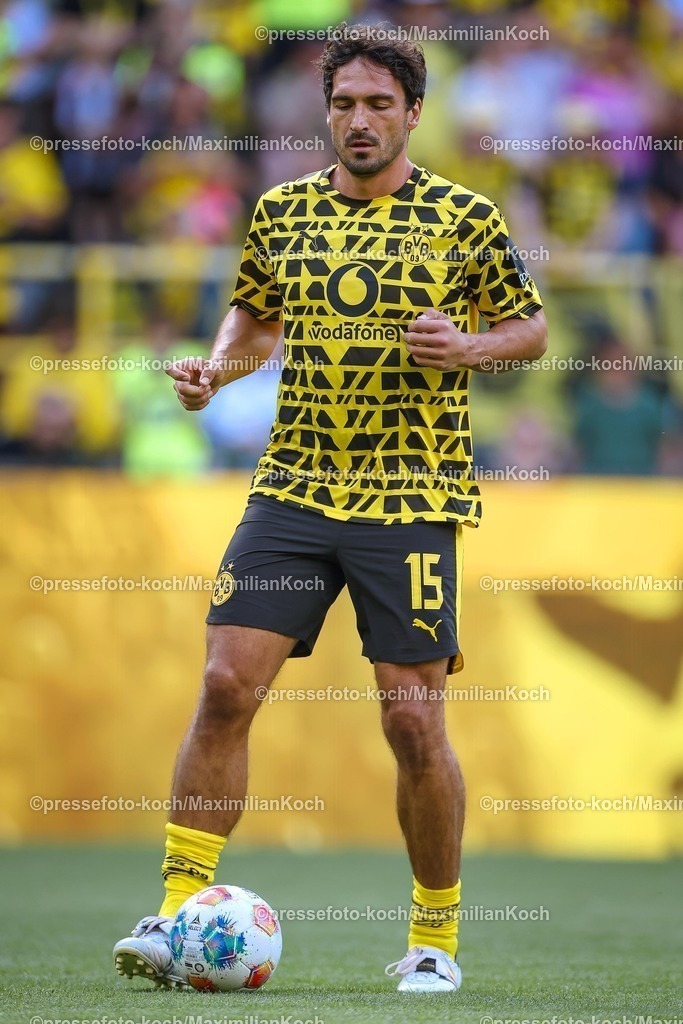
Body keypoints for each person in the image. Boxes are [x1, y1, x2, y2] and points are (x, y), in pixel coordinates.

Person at [113, 23, 547, 995]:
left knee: (410, 721)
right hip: (293, 489)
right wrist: (215, 371)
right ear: (326, 110)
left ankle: (431, 939)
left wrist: (469, 347)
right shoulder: (282, 213)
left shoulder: (463, 218)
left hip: (409, 496)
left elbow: (529, 327)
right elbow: (256, 315)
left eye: (377, 104)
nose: (358, 120)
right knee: (226, 683)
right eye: (344, 103)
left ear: (412, 114)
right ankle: (178, 907)